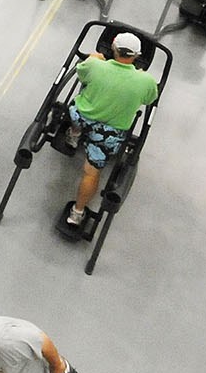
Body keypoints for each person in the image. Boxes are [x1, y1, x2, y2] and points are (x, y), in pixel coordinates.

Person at [61, 32, 159, 235]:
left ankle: (74, 134)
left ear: (113, 47)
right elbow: (149, 100)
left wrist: (93, 58)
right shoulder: (146, 81)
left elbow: (82, 76)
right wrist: (140, 76)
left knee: (77, 111)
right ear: (137, 55)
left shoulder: (95, 65)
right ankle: (77, 214)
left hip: (83, 117)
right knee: (91, 173)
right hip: (108, 134)